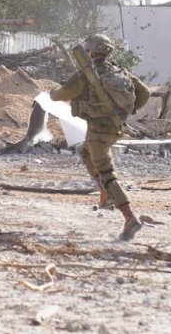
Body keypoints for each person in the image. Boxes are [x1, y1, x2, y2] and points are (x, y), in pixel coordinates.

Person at [49, 34, 150, 241]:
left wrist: (53, 90)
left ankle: (130, 217)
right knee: (85, 152)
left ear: (91, 52)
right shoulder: (120, 72)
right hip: (115, 127)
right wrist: (124, 111)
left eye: (87, 50)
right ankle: (105, 195)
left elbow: (58, 95)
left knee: (106, 171)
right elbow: (145, 93)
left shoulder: (84, 76)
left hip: (98, 131)